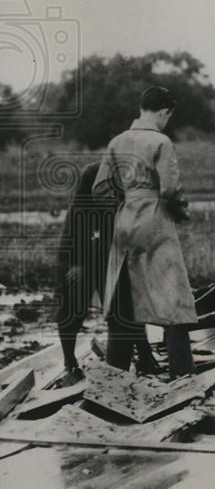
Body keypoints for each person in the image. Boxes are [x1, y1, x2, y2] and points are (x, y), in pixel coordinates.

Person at [94, 85, 197, 378]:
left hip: (124, 221)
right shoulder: (161, 142)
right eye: (168, 116)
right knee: (173, 302)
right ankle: (183, 376)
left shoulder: (117, 141)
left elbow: (101, 188)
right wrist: (182, 214)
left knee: (124, 304)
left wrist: (124, 204)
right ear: (164, 112)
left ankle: (115, 377)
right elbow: (171, 190)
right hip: (156, 222)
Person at [52, 162, 159, 385]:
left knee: (126, 303)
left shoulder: (133, 184)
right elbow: (76, 227)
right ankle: (69, 362)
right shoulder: (90, 181)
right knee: (72, 306)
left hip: (111, 251)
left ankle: (145, 354)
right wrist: (79, 265)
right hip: (79, 251)